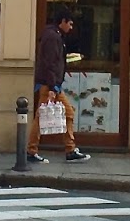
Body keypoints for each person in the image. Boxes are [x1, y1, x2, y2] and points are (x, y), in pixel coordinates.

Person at [27, 8, 89, 164]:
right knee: (55, 115)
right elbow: (50, 64)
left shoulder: (53, 35)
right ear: (62, 21)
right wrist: (53, 88)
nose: (71, 27)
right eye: (70, 23)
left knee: (62, 114)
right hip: (50, 85)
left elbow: (52, 62)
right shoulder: (53, 37)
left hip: (50, 84)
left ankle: (68, 149)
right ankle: (35, 150)